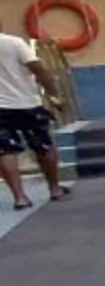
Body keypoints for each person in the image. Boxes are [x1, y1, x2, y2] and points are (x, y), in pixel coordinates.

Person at [0, 26, 70, 211]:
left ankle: (20, 197)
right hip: (26, 103)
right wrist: (54, 96)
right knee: (43, 145)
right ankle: (54, 188)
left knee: (5, 151)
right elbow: (39, 70)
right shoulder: (14, 43)